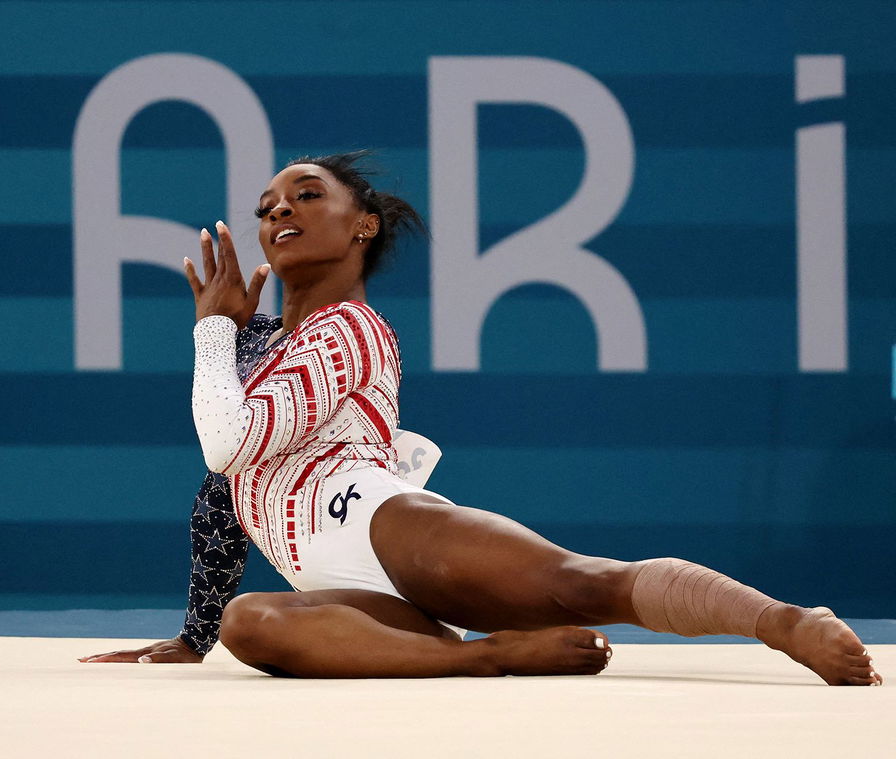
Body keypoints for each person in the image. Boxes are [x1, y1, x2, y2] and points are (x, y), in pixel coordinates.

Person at [81, 152, 882, 685]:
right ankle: (485, 655)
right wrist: (196, 629)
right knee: (251, 623)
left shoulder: (353, 329)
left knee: (583, 583)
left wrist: (212, 330)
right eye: (266, 206)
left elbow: (225, 440)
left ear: (363, 225)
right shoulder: (256, 350)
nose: (278, 210)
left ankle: (785, 621)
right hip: (333, 591)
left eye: (306, 194)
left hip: (382, 527)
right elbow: (224, 491)